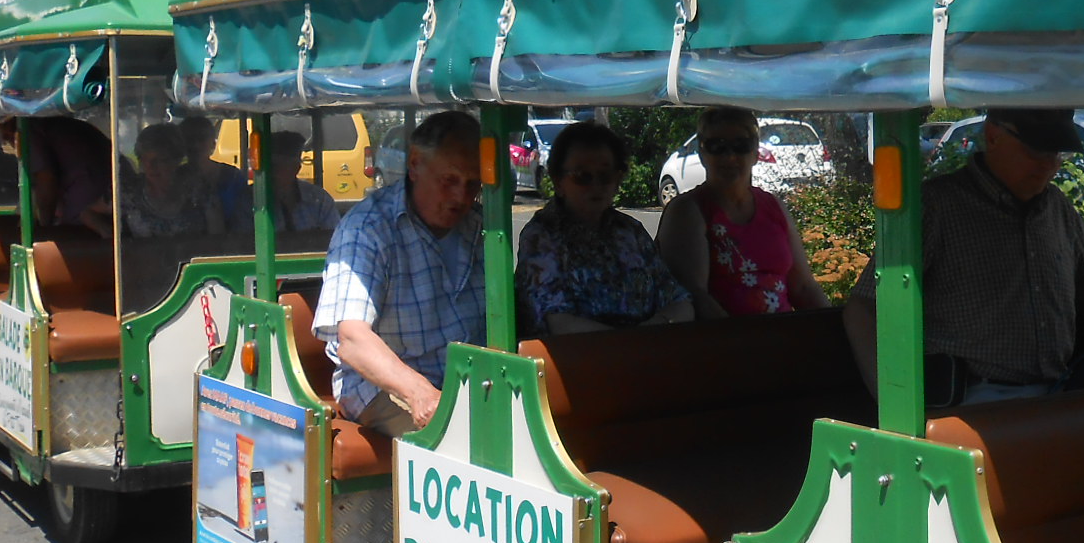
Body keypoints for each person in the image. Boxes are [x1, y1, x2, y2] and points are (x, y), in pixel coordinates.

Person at [844, 109, 1084, 404]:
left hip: (1059, 393)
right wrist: (894, 402)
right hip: (970, 399)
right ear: (993, 136)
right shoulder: (937, 207)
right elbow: (864, 308)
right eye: (1034, 151)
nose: (1048, 166)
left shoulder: (1059, 209)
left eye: (1056, 153)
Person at [312, 109, 486, 436]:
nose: (461, 197)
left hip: (466, 386)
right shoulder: (367, 229)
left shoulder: (482, 225)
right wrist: (419, 392)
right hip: (383, 388)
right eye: (449, 180)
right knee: (471, 438)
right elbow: (352, 339)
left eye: (472, 184)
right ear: (415, 164)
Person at [518, 123, 693, 334]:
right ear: (558, 181)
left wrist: (657, 327)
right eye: (582, 176)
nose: (596, 186)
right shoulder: (541, 237)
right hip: (579, 359)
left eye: (605, 176)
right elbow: (557, 322)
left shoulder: (630, 231)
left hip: (646, 351)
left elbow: (680, 301)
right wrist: (627, 344)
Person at [655, 107, 829, 318]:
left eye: (741, 146)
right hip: (723, 343)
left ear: (756, 153)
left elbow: (803, 288)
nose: (729, 157)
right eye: (717, 146)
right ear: (702, 153)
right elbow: (694, 297)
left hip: (782, 340)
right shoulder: (687, 211)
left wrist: (834, 331)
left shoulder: (774, 207)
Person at [117, 123, 222, 239]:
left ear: (176, 159)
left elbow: (218, 238)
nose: (150, 166)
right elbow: (95, 203)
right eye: (143, 159)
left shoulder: (199, 190)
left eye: (159, 160)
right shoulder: (130, 194)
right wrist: (102, 229)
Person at [29, 116, 112, 231]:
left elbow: (46, 181)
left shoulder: (30, 132)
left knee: (75, 235)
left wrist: (45, 229)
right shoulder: (57, 124)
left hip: (90, 185)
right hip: (112, 180)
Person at [265, 124, 344, 235]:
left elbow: (335, 238)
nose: (273, 171)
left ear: (296, 168)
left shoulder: (319, 200)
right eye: (271, 165)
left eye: (282, 164)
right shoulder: (251, 201)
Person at [180, 116, 251, 224]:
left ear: (213, 143)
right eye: (190, 139)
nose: (195, 145)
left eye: (201, 139)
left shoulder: (233, 176)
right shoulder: (176, 177)